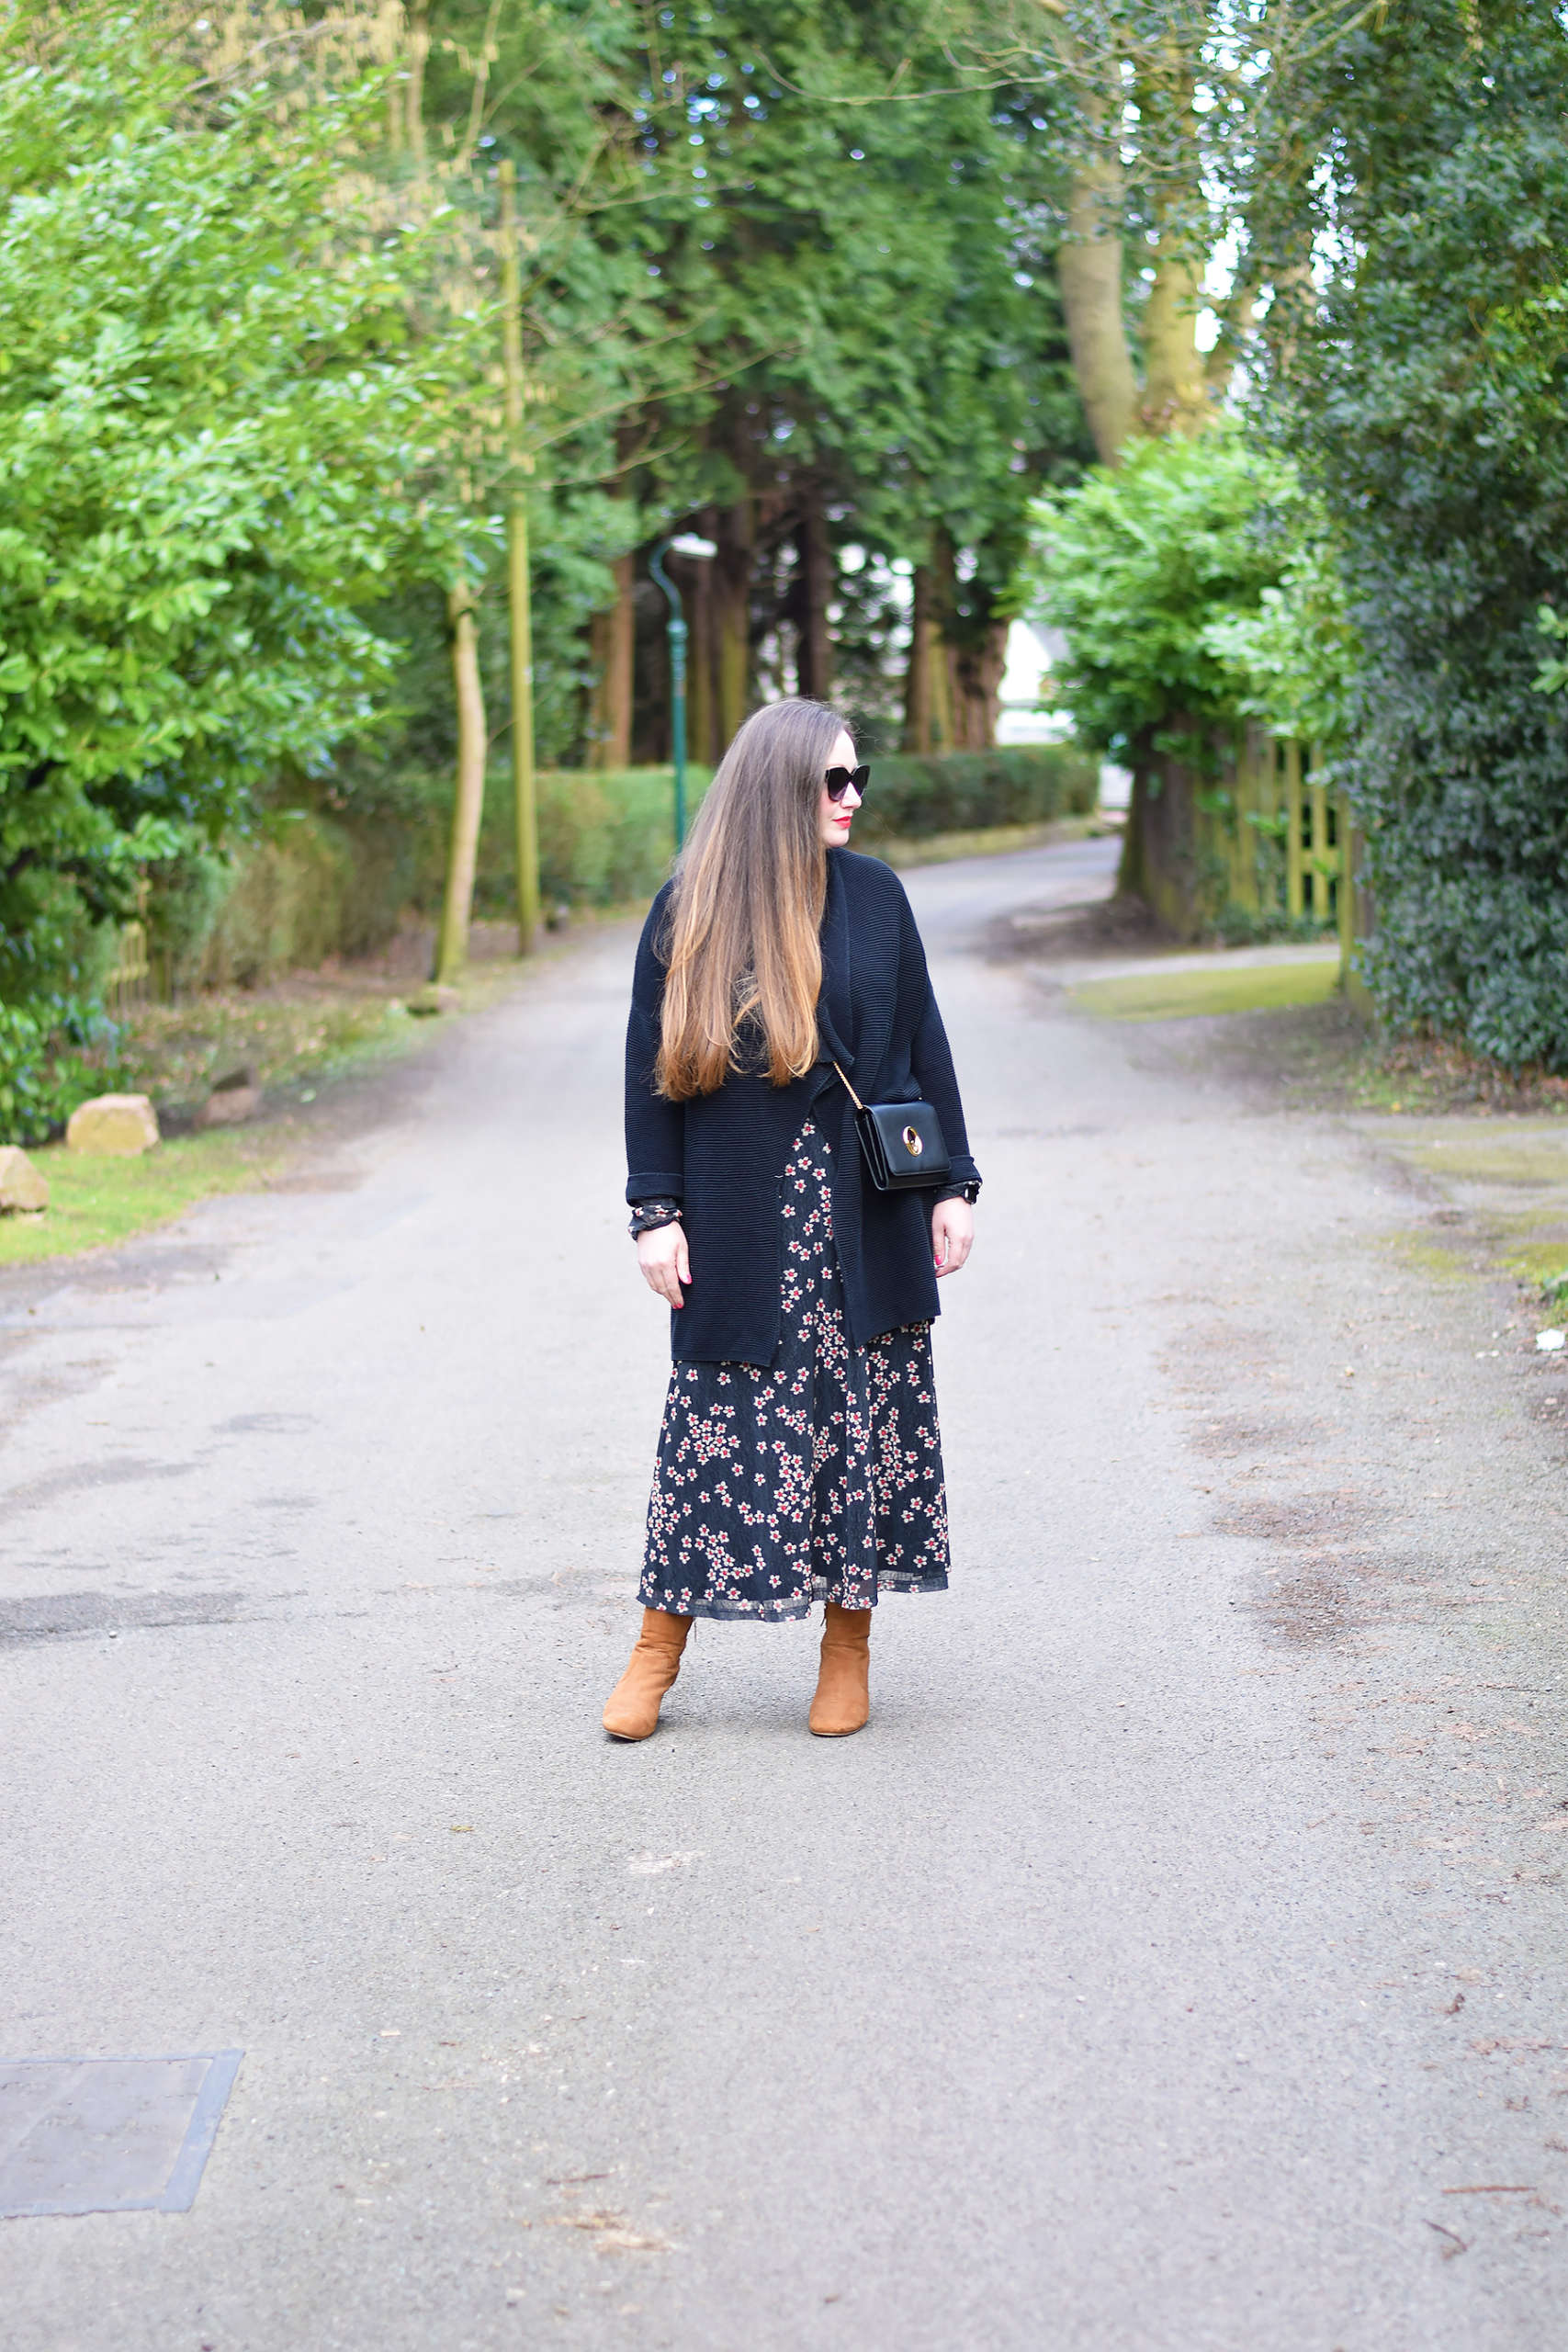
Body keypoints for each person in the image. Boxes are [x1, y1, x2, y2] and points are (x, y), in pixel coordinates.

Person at [604, 697, 980, 1741]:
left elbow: (926, 1047)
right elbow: (651, 1076)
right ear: (778, 789)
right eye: (833, 782)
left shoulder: (878, 897)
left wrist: (956, 1184)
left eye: (860, 779)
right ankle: (656, 1649)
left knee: (861, 1423)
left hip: (865, 1216)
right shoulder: (692, 910)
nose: (853, 798)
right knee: (713, 1433)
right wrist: (654, 1213)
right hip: (740, 1222)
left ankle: (847, 1644)